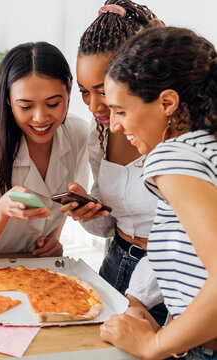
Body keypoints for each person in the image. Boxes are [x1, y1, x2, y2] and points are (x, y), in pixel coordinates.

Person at [100, 26, 217, 359]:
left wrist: (155, 345)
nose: (114, 125)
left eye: (121, 110)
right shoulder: (207, 147)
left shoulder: (173, 156)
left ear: (167, 102)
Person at [60, 0, 167, 325]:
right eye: (83, 92)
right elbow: (113, 224)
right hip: (115, 265)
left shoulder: (176, 136)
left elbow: (184, 238)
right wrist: (89, 212)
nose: (93, 106)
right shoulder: (101, 133)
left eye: (103, 90)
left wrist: (135, 299)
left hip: (164, 285)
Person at [0, 42, 89, 258]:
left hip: (38, 274)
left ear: (68, 92)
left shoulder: (77, 133)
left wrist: (52, 240)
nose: (40, 118)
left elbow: (62, 203)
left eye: (53, 104)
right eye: (26, 106)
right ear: (8, 101)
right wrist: (1, 210)